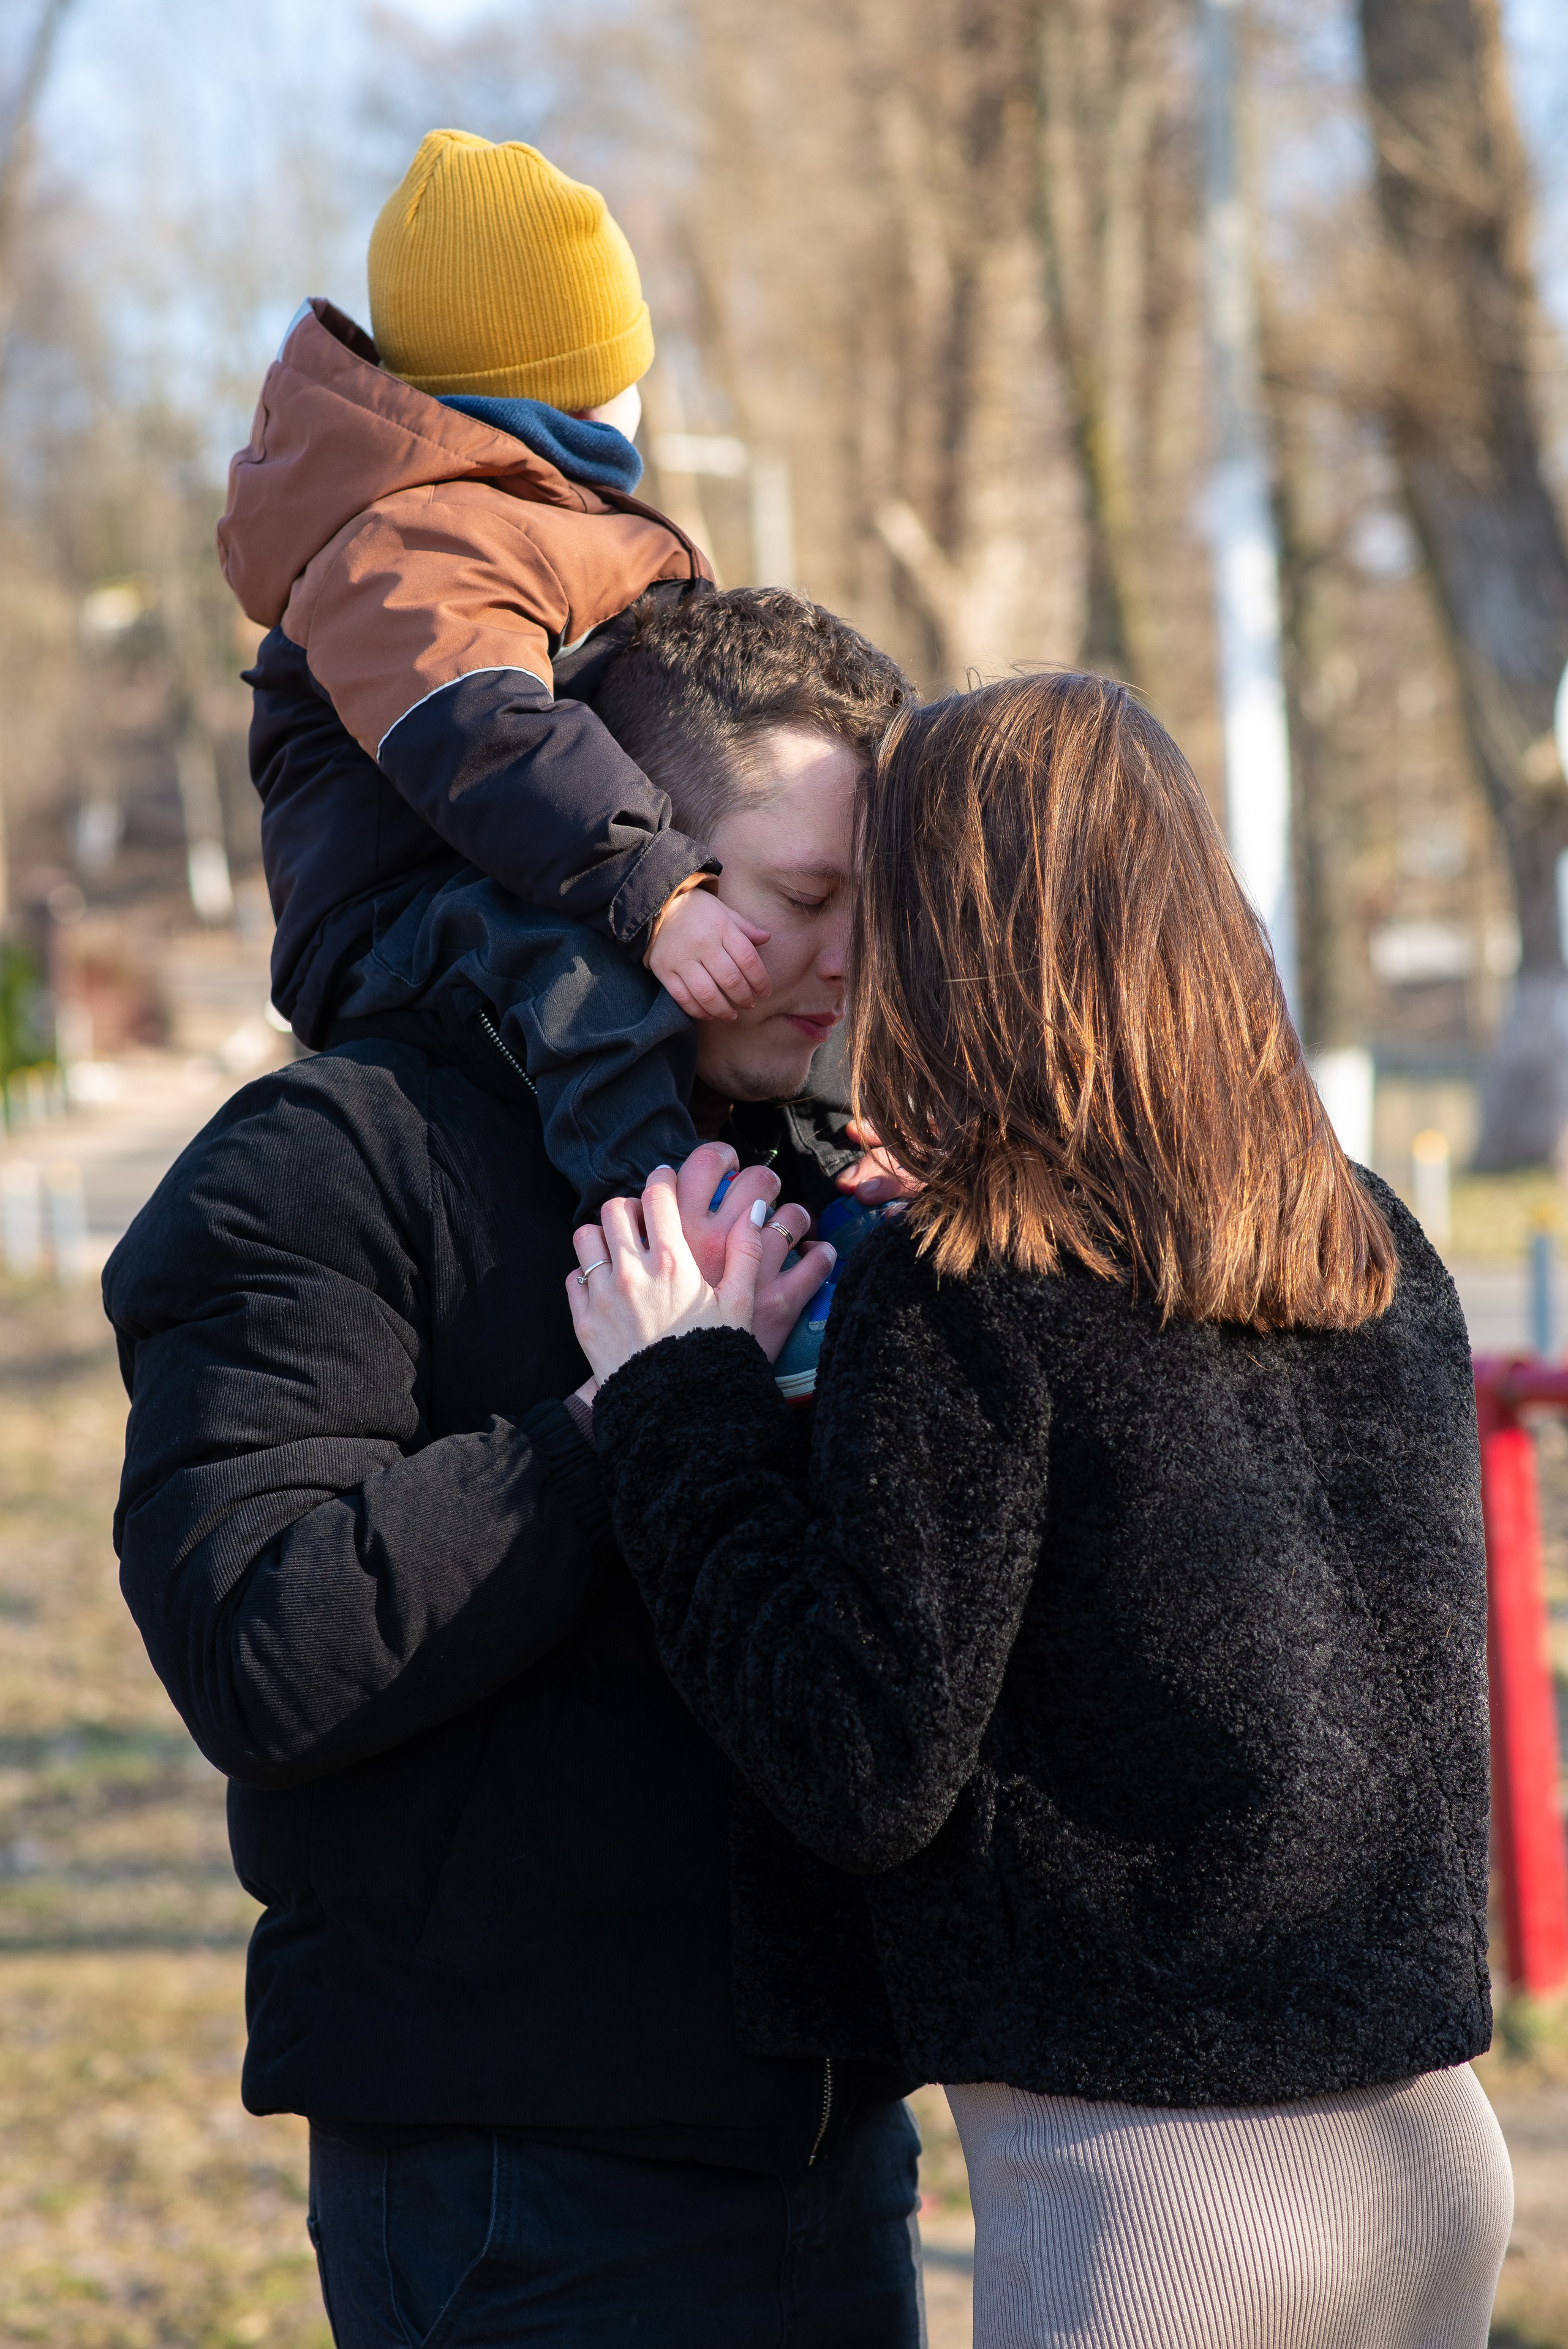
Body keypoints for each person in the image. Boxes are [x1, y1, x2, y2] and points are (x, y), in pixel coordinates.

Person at [568, 671, 1515, 2349]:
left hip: (1160, 2192)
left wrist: (677, 1399)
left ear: (956, 932)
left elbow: (861, 1758)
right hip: (1432, 2153)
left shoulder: (971, 1288)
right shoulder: (1360, 1235)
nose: (853, 956)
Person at [105, 591, 925, 2348]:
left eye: (877, 907)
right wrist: (610, 1426)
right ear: (638, 868)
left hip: (837, 2151)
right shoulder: (330, 1158)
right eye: (800, 901)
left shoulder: (822, 1165)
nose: (849, 961)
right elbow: (258, 1637)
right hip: (516, 2174)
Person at [221, 127, 796, 1219]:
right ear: (571, 391)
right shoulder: (406, 542)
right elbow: (484, 733)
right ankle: (673, 1226)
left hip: (518, 865)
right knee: (579, 983)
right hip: (395, 910)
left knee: (779, 946)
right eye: (621, 370)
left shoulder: (526, 512)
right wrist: (656, 889)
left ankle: (828, 1162)